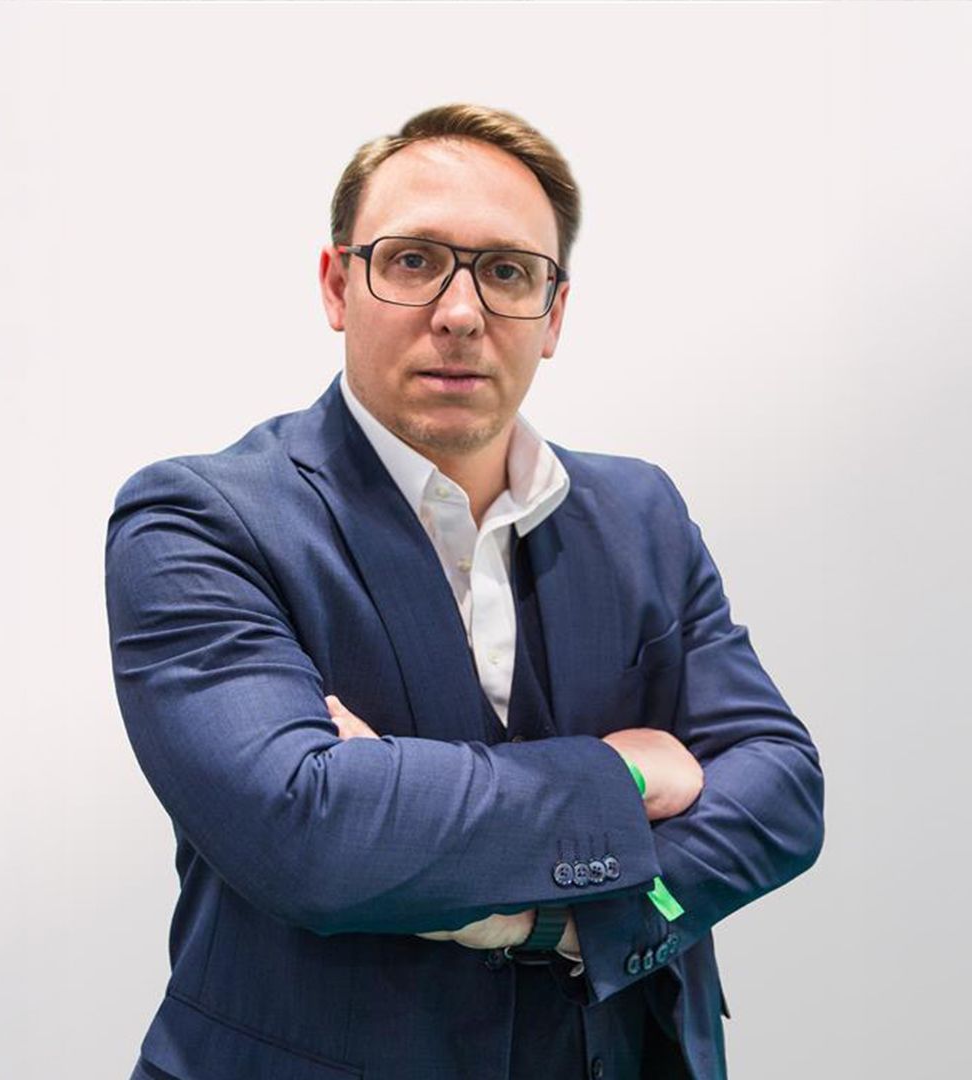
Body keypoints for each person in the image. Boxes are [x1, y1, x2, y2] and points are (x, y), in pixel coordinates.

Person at [104, 102, 825, 1080]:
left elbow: (780, 785)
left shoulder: (640, 513)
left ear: (554, 313)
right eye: (412, 261)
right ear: (336, 283)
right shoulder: (200, 520)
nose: (459, 310)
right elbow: (306, 832)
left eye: (506, 272)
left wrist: (573, 924)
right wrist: (625, 778)